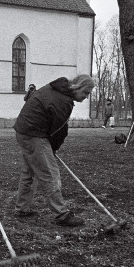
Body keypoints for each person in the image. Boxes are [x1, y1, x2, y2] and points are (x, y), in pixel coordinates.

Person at [13, 74, 95, 226]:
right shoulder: (64, 101)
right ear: (78, 87)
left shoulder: (57, 88)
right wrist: (52, 149)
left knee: (29, 171)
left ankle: (22, 208)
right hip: (33, 133)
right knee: (49, 173)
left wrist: (51, 149)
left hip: (23, 130)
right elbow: (58, 130)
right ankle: (61, 214)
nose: (86, 97)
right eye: (85, 93)